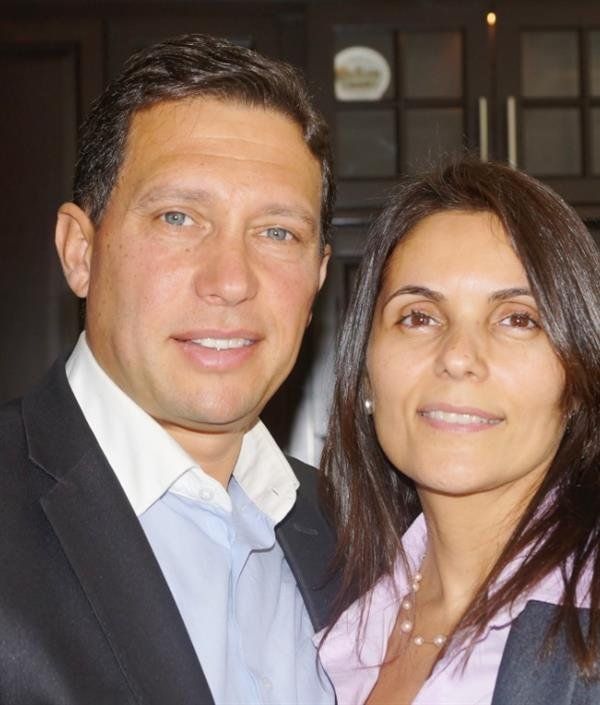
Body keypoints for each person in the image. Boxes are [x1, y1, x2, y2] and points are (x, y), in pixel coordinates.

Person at [0, 34, 338, 705]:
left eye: (278, 232)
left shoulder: (352, 530)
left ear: (318, 278)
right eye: (178, 218)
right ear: (80, 251)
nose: (231, 281)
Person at [317, 157, 600, 705]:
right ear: (367, 372)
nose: (458, 356)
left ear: (577, 378)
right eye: (419, 316)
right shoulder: (330, 613)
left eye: (518, 319)